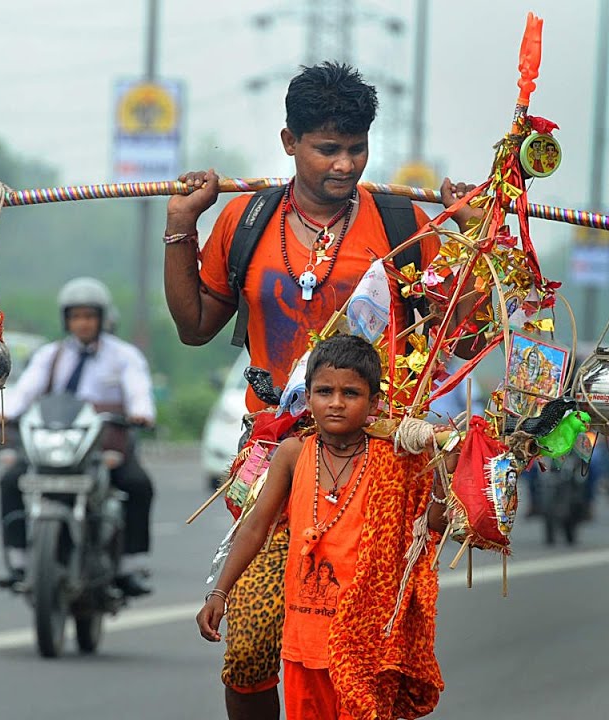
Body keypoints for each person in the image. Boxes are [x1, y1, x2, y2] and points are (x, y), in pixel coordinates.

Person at [164, 61, 483, 719]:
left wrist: (472, 239)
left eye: (357, 149)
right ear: (290, 142)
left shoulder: (402, 227)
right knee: (250, 650)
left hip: (377, 464)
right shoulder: (246, 221)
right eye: (327, 148)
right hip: (274, 457)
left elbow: (461, 340)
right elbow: (194, 327)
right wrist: (180, 226)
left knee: (362, 653)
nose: (345, 165)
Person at [196, 334, 452, 719]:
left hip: (365, 643)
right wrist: (220, 592)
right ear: (308, 396)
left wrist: (444, 473)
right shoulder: (293, 454)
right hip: (303, 643)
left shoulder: (395, 458)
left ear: (374, 403)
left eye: (351, 393)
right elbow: (255, 527)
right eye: (324, 391)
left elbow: (430, 525)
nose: (336, 402)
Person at [0, 276, 157, 598]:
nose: (83, 323)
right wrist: (6, 413)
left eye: (89, 316)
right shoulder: (50, 355)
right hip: (57, 440)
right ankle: (19, 561)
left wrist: (141, 413)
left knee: (138, 485)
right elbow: (27, 389)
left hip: (104, 443)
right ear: (66, 320)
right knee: (11, 480)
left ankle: (130, 567)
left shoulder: (124, 356)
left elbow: (138, 389)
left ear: (102, 318)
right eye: (76, 316)